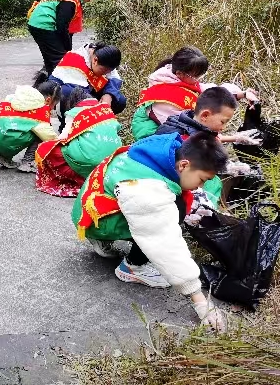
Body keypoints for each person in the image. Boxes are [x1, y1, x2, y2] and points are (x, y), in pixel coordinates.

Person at [71, 132, 228, 331]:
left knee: (172, 206)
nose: (201, 186)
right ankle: (132, 267)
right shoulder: (145, 190)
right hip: (96, 220)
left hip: (91, 207)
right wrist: (200, 301)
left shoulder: (161, 151)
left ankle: (102, 240)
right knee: (173, 212)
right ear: (184, 165)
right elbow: (163, 240)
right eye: (202, 179)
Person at [154, 87, 262, 207]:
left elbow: (210, 137)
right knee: (213, 182)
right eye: (223, 122)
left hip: (182, 172)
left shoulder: (187, 119)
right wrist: (228, 167)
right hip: (171, 181)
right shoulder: (182, 136)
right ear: (205, 115)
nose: (224, 127)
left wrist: (237, 138)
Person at [130, 46, 258, 142]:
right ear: (180, 73)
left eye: (201, 74)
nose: (199, 79)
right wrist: (233, 138)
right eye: (196, 75)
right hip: (154, 135)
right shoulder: (164, 98)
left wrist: (243, 94)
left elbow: (211, 91)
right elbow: (188, 129)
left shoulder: (181, 80)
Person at [35, 89, 122, 197]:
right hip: (110, 163)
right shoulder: (107, 112)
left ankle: (76, 181)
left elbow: (63, 138)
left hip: (88, 160)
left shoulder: (75, 112)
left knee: (49, 149)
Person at [27, 0, 101, 75]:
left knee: (50, 57)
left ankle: (49, 80)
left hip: (36, 22)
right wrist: (67, 49)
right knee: (60, 59)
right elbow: (61, 26)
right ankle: (56, 84)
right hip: (43, 24)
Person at [46, 42, 126, 130]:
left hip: (88, 90)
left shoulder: (105, 60)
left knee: (119, 100)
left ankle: (99, 124)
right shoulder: (76, 59)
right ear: (95, 60)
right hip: (68, 94)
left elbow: (114, 79)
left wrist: (109, 95)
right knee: (66, 92)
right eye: (104, 71)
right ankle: (68, 126)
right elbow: (80, 94)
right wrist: (97, 107)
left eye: (108, 72)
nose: (105, 74)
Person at [0, 81, 61, 173]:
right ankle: (28, 162)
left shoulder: (18, 97)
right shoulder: (40, 109)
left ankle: (3, 156)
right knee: (39, 133)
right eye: (53, 105)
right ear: (49, 100)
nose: (52, 109)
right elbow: (49, 136)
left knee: (19, 127)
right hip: (8, 140)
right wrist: (61, 143)